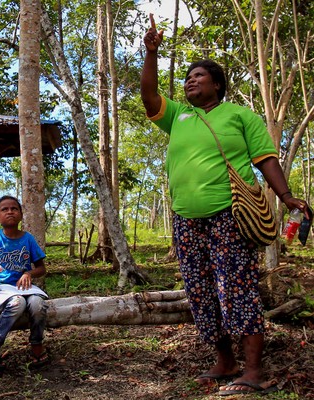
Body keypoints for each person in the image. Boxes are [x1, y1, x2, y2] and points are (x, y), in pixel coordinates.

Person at [140, 14, 312, 396]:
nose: (190, 81)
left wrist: (286, 195)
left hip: (229, 216)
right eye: (187, 77)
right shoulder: (178, 117)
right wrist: (151, 53)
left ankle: (252, 369)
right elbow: (149, 97)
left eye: (199, 76)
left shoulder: (240, 115)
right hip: (186, 219)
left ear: (217, 84)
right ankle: (225, 360)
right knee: (200, 291)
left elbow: (266, 158)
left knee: (236, 288)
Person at [0, 195, 49, 372]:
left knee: (38, 304)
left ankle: (36, 344)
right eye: (4, 209)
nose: (10, 212)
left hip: (25, 288)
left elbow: (41, 268)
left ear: (21, 214)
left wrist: (28, 273)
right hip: (1, 288)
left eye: (14, 208)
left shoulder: (28, 239)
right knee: (18, 303)